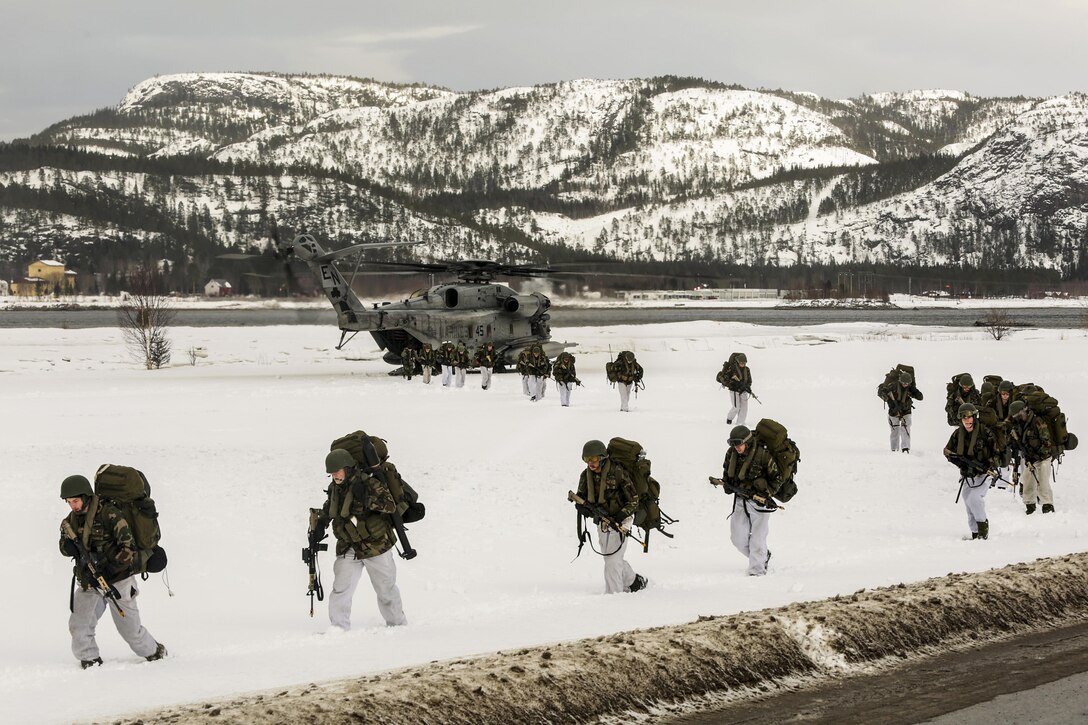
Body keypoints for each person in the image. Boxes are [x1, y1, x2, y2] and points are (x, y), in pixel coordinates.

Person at [58, 474, 166, 669]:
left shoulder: (110, 514)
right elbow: (63, 545)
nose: (73, 506)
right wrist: (68, 547)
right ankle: (90, 659)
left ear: (86, 496)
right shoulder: (71, 521)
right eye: (69, 502)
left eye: (75, 501)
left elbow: (129, 547)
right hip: (90, 581)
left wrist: (111, 567)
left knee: (131, 632)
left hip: (118, 581)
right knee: (79, 625)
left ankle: (155, 652)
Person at [310, 449, 407, 629]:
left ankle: (398, 626)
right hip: (349, 546)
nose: (334, 476)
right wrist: (321, 522)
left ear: (347, 468)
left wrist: (367, 497)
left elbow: (390, 505)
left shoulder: (368, 483)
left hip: (376, 546)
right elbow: (329, 507)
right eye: (331, 473)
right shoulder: (335, 488)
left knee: (386, 590)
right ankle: (339, 628)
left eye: (337, 471)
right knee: (341, 589)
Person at [574, 440, 647, 594]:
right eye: (587, 459)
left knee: (612, 561)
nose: (590, 463)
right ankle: (635, 582)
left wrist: (621, 515)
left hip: (622, 519)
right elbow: (580, 495)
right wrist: (582, 507)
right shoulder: (585, 475)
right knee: (611, 559)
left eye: (593, 459)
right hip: (602, 521)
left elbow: (634, 500)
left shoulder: (618, 472)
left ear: (602, 457)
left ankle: (614, 596)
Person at [720, 425, 784, 576]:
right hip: (740, 500)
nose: (736, 447)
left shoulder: (763, 455)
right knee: (737, 538)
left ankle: (757, 572)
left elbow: (777, 479)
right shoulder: (731, 454)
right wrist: (726, 484)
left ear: (747, 442)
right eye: (733, 444)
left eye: (738, 444)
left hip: (760, 504)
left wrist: (766, 494)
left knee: (758, 538)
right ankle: (762, 557)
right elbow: (726, 471)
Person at [943, 403, 1001, 540]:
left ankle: (983, 527)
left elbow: (997, 453)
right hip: (968, 474)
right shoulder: (957, 434)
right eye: (964, 418)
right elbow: (947, 451)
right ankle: (975, 532)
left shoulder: (985, 433)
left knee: (975, 498)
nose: (967, 421)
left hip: (985, 473)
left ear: (974, 417)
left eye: (969, 418)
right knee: (967, 499)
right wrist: (962, 464)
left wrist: (989, 466)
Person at [1007, 400, 1056, 514]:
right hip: (1029, 457)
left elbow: (1047, 443)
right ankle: (1030, 505)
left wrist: (1037, 455)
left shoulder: (1038, 421)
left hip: (1043, 457)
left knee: (1043, 481)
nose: (1017, 418)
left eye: (1018, 415)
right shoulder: (1019, 425)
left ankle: (1047, 505)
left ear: (1024, 411)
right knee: (1028, 480)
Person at [881, 371, 923, 453]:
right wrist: (892, 406)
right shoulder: (893, 386)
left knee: (906, 428)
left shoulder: (910, 388)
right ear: (900, 380)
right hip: (893, 411)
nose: (905, 384)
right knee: (895, 430)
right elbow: (883, 393)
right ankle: (894, 449)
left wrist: (914, 391)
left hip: (906, 411)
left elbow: (920, 397)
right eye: (903, 382)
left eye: (907, 383)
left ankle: (905, 448)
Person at [724, 353, 753, 425]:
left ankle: (740, 423)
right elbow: (727, 378)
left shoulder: (747, 369)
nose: (743, 364)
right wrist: (734, 383)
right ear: (737, 361)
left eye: (744, 363)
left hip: (743, 390)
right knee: (736, 407)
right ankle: (729, 418)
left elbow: (749, 380)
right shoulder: (732, 369)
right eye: (741, 362)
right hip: (734, 390)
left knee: (744, 408)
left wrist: (748, 387)